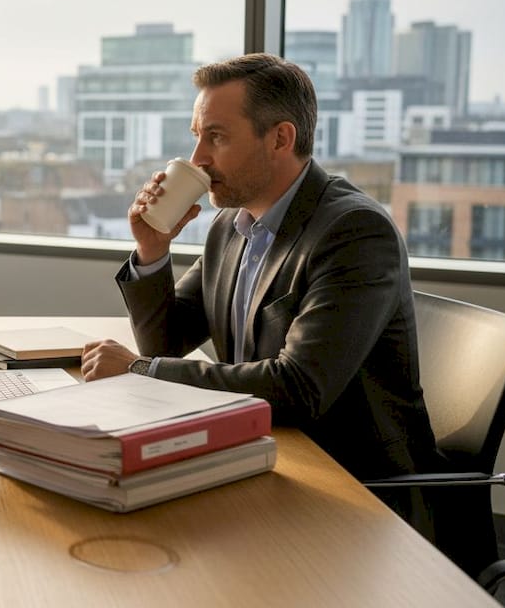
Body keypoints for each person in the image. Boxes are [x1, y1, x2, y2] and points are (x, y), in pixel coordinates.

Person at [80, 53, 442, 535]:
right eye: (197, 137)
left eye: (217, 136)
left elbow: (298, 388)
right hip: (262, 455)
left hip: (352, 493)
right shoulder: (232, 224)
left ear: (280, 138)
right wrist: (152, 250)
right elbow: (165, 343)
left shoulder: (354, 231)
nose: (198, 161)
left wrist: (138, 372)